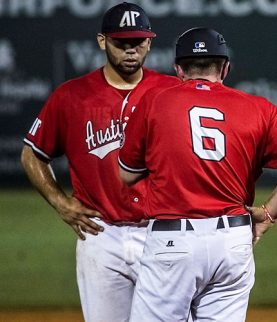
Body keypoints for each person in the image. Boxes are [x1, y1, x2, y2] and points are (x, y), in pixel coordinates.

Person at [118, 27, 277, 322]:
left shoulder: (154, 101)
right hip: (233, 240)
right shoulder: (258, 107)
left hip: (174, 241)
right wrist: (267, 214)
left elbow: (126, 173)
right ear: (225, 68)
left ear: (178, 69)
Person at [20, 2, 180, 321]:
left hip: (164, 232)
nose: (131, 49)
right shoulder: (71, 96)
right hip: (101, 235)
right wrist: (60, 202)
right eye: (122, 42)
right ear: (102, 41)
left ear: (150, 42)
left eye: (138, 41)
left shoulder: (173, 91)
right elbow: (32, 153)